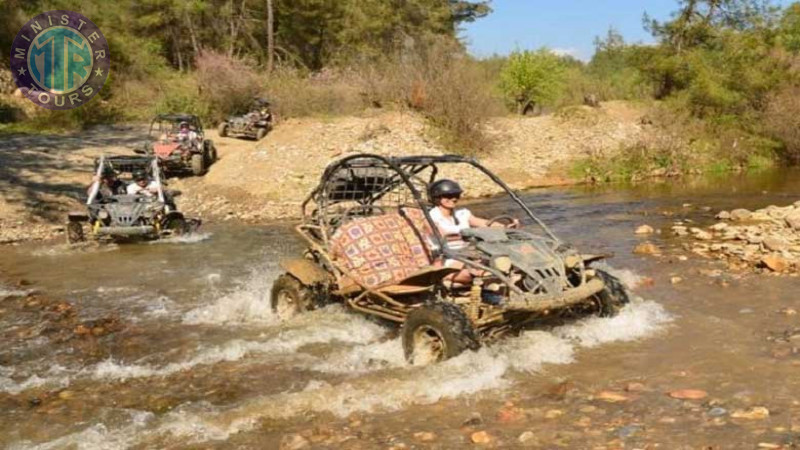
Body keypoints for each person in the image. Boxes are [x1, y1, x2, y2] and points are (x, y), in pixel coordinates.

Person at [428, 179, 519, 299]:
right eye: (448, 196)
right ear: (437, 198)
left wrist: (505, 227)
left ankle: (505, 291)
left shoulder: (462, 214)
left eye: (456, 195)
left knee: (507, 263)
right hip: (448, 258)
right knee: (479, 273)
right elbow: (436, 231)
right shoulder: (431, 216)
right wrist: (466, 235)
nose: (453, 199)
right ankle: (493, 295)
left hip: (471, 254)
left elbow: (484, 223)